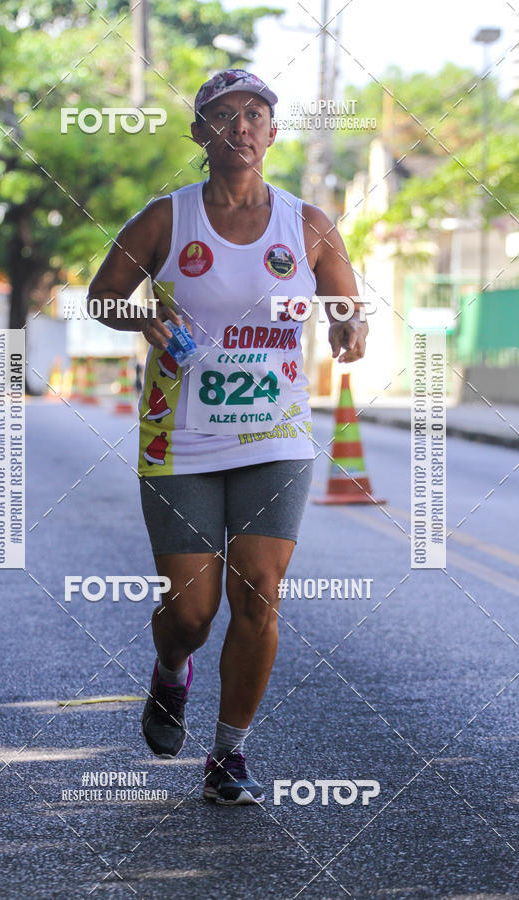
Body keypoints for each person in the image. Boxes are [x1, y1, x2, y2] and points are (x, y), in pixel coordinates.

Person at [87, 69, 368, 805]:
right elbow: (102, 296)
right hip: (179, 439)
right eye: (222, 115)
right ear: (199, 134)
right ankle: (171, 670)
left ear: (273, 133)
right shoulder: (165, 219)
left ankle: (228, 755)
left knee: (259, 594)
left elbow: (343, 294)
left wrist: (348, 321)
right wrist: (137, 317)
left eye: (255, 114)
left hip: (275, 436)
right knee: (190, 613)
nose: (240, 126)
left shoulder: (305, 224)